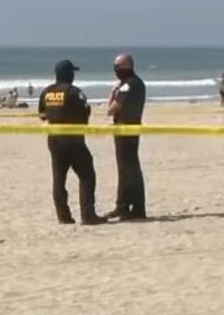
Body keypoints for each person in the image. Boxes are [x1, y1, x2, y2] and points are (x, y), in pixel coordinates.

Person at [38, 60, 107, 225]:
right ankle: (88, 214)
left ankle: (63, 216)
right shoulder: (74, 92)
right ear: (69, 74)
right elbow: (84, 116)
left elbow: (42, 115)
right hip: (73, 139)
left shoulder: (46, 92)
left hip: (54, 139)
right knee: (87, 175)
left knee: (59, 177)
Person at [107, 53, 147, 221]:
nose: (115, 70)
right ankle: (123, 205)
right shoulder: (135, 83)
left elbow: (111, 109)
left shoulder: (129, 85)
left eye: (118, 66)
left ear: (126, 66)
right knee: (126, 168)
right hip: (127, 129)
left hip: (126, 130)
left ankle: (134, 207)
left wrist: (113, 91)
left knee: (129, 169)